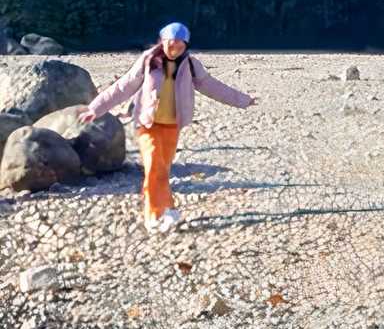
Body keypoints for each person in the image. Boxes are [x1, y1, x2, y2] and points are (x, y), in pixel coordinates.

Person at [79, 23, 256, 233]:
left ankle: (168, 209)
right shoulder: (147, 61)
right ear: (162, 41)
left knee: (162, 171)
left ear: (186, 45)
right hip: (148, 124)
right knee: (154, 165)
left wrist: (243, 100)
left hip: (173, 125)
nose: (175, 48)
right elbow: (123, 86)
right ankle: (154, 216)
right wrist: (95, 109)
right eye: (171, 44)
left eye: (180, 45)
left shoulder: (191, 65)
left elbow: (213, 86)